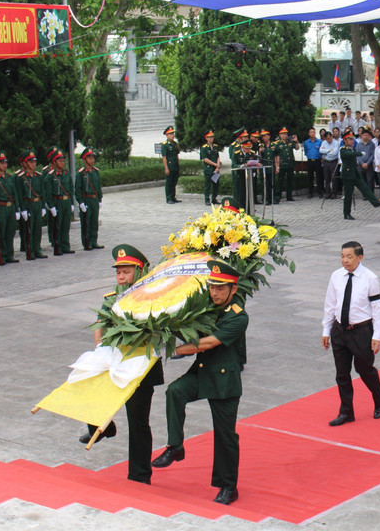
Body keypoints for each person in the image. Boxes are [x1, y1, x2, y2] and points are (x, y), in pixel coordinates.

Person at [152, 260, 248, 506]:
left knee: (225, 436)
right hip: (203, 371)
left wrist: (174, 349)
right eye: (211, 287)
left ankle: (228, 487)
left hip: (224, 380)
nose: (214, 292)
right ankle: (175, 446)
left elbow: (209, 343)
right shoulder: (207, 306)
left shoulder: (239, 317)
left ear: (233, 289)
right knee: (175, 391)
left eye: (220, 288)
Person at [81, 244, 164, 485]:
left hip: (140, 366)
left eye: (126, 272)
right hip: (115, 360)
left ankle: (139, 474)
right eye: (118, 272)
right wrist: (99, 348)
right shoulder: (112, 297)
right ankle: (101, 426)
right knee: (88, 384)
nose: (121, 277)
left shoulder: (154, 298)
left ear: (140, 271)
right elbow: (100, 323)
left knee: (138, 420)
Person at [321, 241, 380, 426]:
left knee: (364, 369)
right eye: (342, 256)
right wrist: (326, 330)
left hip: (361, 331)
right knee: (342, 373)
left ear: (360, 257)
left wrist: (377, 336)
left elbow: (377, 308)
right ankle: (346, 411)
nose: (345, 260)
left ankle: (379, 398)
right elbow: (330, 304)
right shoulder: (336, 276)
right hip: (340, 330)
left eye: (349, 257)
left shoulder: (370, 278)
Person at [339, 130, 380, 220]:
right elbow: (349, 154)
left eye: (352, 139)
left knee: (365, 188)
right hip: (348, 175)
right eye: (350, 139)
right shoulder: (343, 149)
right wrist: (360, 153)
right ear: (345, 141)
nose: (352, 141)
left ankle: (376, 202)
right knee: (348, 196)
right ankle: (346, 213)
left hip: (355, 173)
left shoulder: (353, 148)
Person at [14, 149, 47, 260]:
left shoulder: (38, 176)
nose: (33, 164)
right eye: (30, 161)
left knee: (37, 228)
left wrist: (43, 206)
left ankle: (37, 249)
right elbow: (19, 194)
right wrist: (22, 209)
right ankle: (30, 250)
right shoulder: (20, 177)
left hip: (37, 204)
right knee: (29, 229)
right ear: (25, 163)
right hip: (28, 204)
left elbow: (42, 192)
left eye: (34, 161)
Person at [75, 148, 103, 251]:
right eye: (89, 158)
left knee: (94, 222)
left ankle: (94, 241)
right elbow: (77, 189)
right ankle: (87, 243)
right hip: (86, 199)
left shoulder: (96, 172)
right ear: (84, 159)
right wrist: (81, 203)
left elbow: (98, 187)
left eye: (92, 158)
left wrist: (100, 199)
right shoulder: (81, 174)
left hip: (94, 200)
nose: (92, 160)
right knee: (86, 222)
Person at [275, 128, 299, 203]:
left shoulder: (290, 142)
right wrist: (277, 166)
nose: (285, 135)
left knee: (290, 181)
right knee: (280, 181)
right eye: (283, 134)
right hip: (282, 165)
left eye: (286, 134)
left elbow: (297, 148)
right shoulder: (278, 144)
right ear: (280, 135)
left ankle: (289, 196)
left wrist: (296, 141)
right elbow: (276, 155)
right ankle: (278, 196)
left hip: (290, 164)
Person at [161, 126, 181, 204]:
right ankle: (168, 198)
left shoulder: (175, 144)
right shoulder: (165, 145)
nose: (172, 135)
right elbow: (164, 157)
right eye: (170, 134)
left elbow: (177, 155)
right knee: (169, 182)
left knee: (174, 182)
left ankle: (173, 197)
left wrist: (178, 165)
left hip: (175, 165)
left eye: (173, 133)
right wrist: (166, 168)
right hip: (169, 166)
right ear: (167, 135)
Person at [200, 131, 221, 205]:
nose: (212, 138)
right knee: (207, 185)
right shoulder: (204, 148)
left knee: (216, 184)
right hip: (209, 169)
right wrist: (215, 164)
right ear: (206, 138)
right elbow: (205, 159)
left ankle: (214, 198)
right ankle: (207, 199)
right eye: (210, 137)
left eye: (212, 137)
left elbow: (217, 156)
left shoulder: (215, 146)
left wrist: (218, 165)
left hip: (216, 169)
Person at [304, 127, 324, 199]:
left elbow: (322, 151)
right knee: (310, 177)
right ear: (309, 134)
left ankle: (320, 192)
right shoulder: (306, 142)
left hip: (317, 161)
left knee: (319, 177)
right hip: (310, 161)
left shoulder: (319, 142)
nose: (312, 133)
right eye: (311, 132)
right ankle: (310, 193)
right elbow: (306, 152)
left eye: (313, 132)